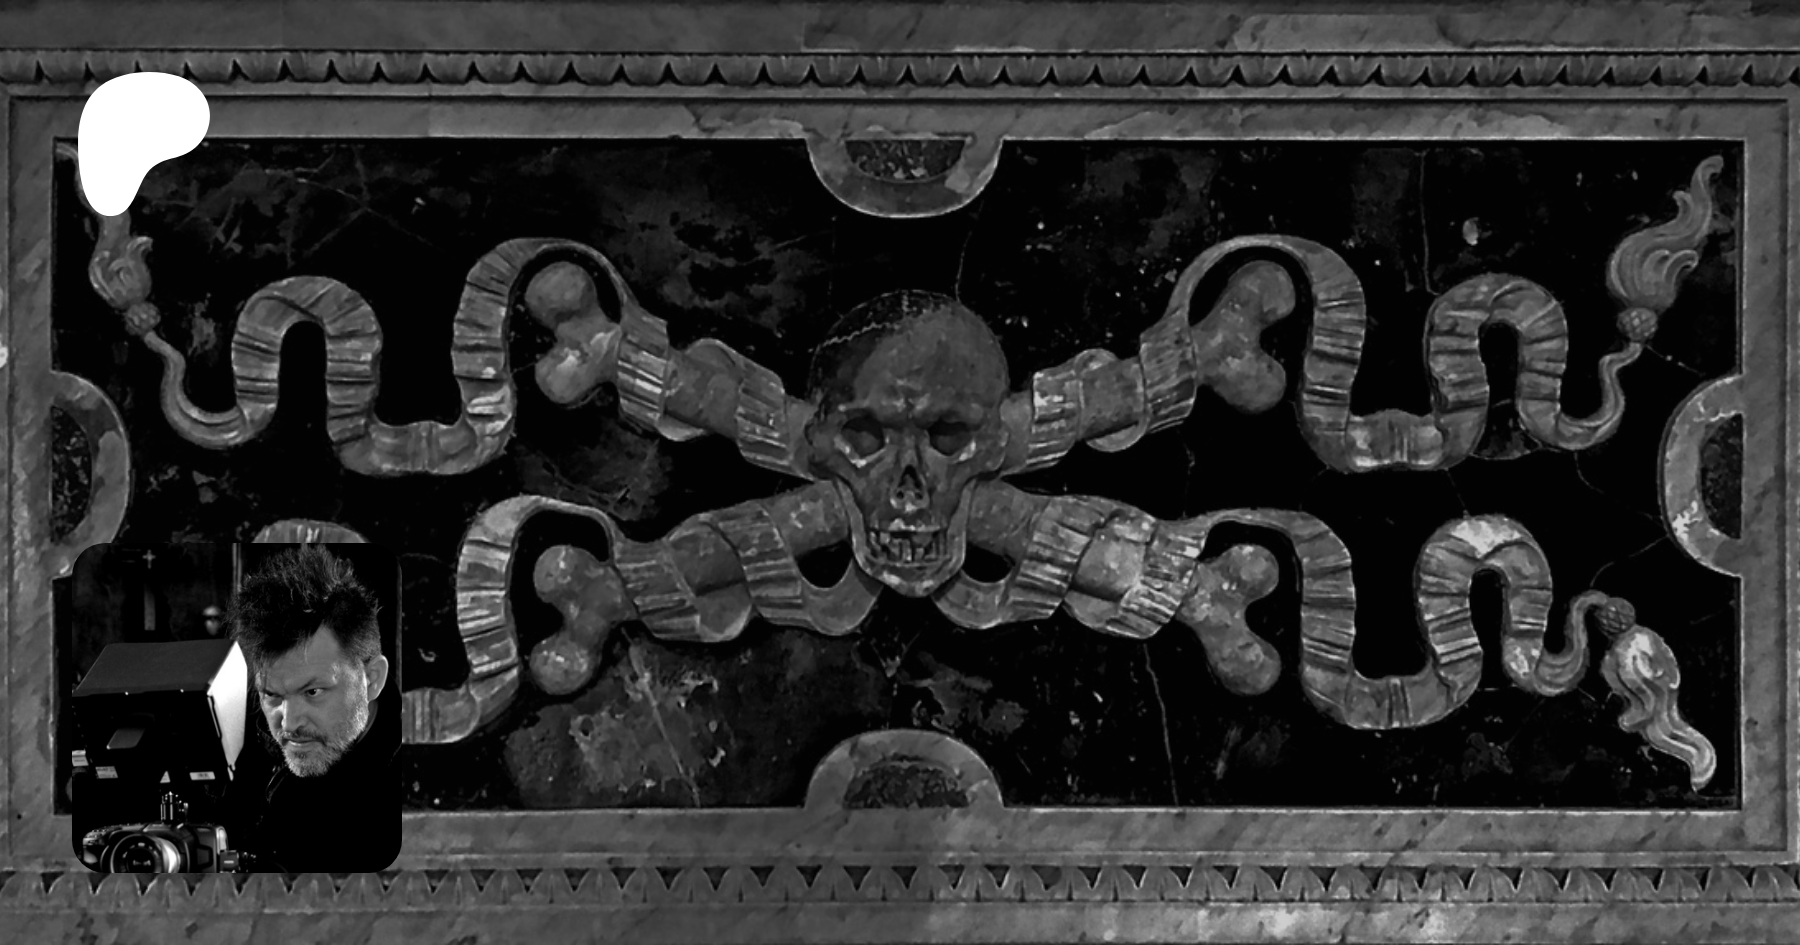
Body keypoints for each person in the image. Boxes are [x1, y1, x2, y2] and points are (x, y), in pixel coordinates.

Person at [221, 544, 400, 872]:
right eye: (272, 695)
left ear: (372, 679)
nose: (289, 724)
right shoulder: (246, 760)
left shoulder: (402, 796)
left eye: (313, 692)